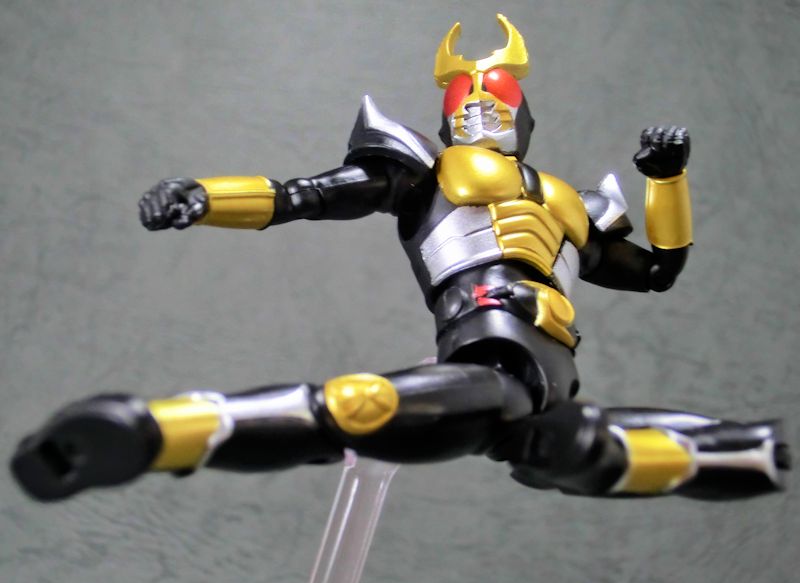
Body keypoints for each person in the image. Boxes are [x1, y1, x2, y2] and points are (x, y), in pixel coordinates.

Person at [12, 15, 789, 502]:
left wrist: (666, 180)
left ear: (524, 113)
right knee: (364, 408)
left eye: (497, 100)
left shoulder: (569, 202)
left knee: (568, 452)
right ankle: (154, 432)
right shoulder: (424, 171)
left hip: (547, 375)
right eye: (467, 104)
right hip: (486, 359)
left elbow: (657, 270)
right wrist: (202, 197)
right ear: (446, 116)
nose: (481, 109)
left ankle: (753, 454)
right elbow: (302, 195)